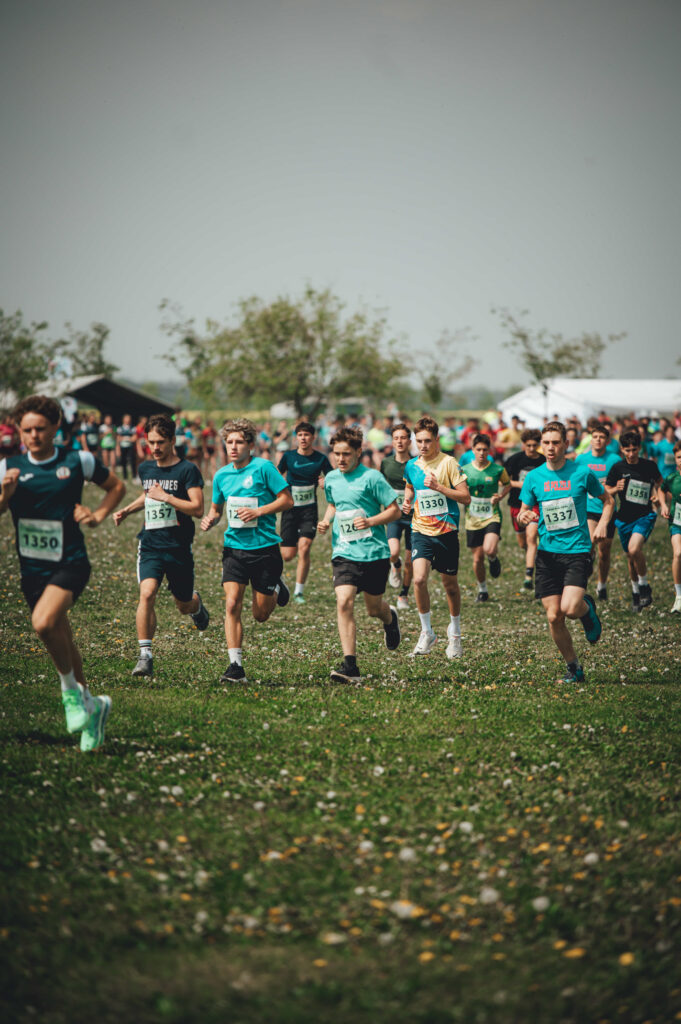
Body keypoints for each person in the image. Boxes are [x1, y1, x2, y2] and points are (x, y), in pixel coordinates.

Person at [0, 395, 125, 750]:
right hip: (32, 569)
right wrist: (5, 495)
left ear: (56, 427)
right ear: (18, 431)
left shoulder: (77, 460)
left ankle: (70, 695)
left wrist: (97, 515)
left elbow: (116, 487)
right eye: (27, 430)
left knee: (43, 623)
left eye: (41, 429)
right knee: (62, 637)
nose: (34, 436)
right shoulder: (8, 466)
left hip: (70, 562)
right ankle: (93, 708)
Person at [113, 413, 210, 678]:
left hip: (178, 547)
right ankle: (145, 656)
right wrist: (127, 510)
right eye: (151, 442)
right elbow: (148, 495)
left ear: (172, 441)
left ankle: (196, 606)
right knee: (147, 594)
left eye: (160, 442)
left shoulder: (187, 470)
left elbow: (198, 509)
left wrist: (167, 497)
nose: (155, 448)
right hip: (151, 545)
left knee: (183, 604)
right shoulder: (146, 469)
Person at [518, 421, 613, 684]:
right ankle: (574, 668)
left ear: (566, 444)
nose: (550, 447)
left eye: (555, 442)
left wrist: (603, 524)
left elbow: (607, 500)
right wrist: (523, 517)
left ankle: (587, 610)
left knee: (570, 609)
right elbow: (523, 512)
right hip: (547, 555)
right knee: (553, 616)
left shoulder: (581, 473)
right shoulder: (534, 477)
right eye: (546, 443)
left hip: (577, 551)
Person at [201, 418, 293, 683]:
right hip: (234, 549)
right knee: (231, 604)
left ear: (250, 445)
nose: (233, 447)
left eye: (239, 442)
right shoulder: (221, 475)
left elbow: (287, 500)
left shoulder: (264, 468)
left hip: (264, 549)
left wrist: (259, 511)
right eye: (229, 442)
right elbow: (216, 509)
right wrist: (211, 519)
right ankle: (235, 666)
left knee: (260, 615)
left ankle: (276, 588)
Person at [318, 426, 401, 683]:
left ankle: (390, 618)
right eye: (336, 454)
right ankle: (350, 666)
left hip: (374, 552)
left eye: (346, 454)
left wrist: (371, 521)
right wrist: (326, 520)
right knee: (344, 601)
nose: (340, 459)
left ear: (358, 452)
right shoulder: (331, 479)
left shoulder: (372, 478)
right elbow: (334, 504)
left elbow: (395, 511)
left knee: (374, 609)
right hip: (344, 552)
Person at [403, 415, 470, 659]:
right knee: (419, 579)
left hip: (446, 532)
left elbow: (466, 497)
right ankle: (427, 632)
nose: (423, 445)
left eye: (427, 441)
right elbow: (410, 486)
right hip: (420, 530)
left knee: (450, 586)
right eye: (419, 441)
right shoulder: (411, 465)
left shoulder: (449, 463)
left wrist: (440, 487)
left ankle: (455, 634)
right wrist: (407, 500)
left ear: (437, 440)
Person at [605, 429, 663, 612]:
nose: (631, 454)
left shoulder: (649, 466)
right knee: (631, 558)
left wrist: (657, 496)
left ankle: (645, 586)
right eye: (627, 450)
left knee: (634, 549)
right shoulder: (617, 468)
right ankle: (636, 593)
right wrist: (616, 488)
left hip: (644, 516)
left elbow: (661, 484)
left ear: (639, 448)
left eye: (634, 450)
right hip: (624, 518)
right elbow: (606, 490)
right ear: (622, 449)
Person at [277, 421, 332, 604]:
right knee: (287, 555)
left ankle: (298, 592)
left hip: (309, 511)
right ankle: (280, 580)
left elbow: (334, 478)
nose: (303, 438)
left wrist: (326, 482)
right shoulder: (288, 456)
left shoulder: (321, 459)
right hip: (289, 511)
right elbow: (276, 476)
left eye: (306, 435)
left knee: (305, 547)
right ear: (296, 437)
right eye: (300, 435)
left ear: (313, 437)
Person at [461, 434, 511, 602]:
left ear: (489, 451)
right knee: (477, 559)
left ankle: (493, 558)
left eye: (485, 450)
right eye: (478, 449)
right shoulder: (465, 470)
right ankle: (482, 590)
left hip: (492, 516)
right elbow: (458, 489)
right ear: (473, 450)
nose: (482, 453)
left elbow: (508, 484)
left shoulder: (498, 470)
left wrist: (500, 497)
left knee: (489, 549)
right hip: (472, 519)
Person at [575, 423, 621, 600]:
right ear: (590, 439)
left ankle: (602, 585)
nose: (598, 440)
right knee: (589, 543)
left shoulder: (614, 460)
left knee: (605, 551)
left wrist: (612, 489)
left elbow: (620, 484)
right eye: (595, 437)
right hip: (588, 509)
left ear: (607, 440)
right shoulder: (581, 459)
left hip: (608, 509)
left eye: (602, 437)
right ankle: (581, 584)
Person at [504, 428, 545, 591]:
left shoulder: (543, 461)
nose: (532, 448)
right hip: (516, 504)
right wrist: (522, 485)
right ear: (523, 445)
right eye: (529, 445)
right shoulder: (514, 460)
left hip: (535, 505)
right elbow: (503, 482)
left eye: (535, 445)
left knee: (531, 537)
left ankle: (529, 576)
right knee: (523, 543)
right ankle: (532, 556)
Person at [381, 422, 414, 611]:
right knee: (393, 552)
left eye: (403, 438)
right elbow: (381, 487)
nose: (400, 441)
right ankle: (395, 565)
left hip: (414, 518)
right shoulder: (386, 463)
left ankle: (404, 594)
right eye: (396, 438)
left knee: (410, 560)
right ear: (392, 442)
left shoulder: (417, 463)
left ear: (409, 441)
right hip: (394, 515)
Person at [659, 441, 681, 612]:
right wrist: (663, 505)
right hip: (676, 521)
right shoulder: (672, 478)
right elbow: (661, 489)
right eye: (679, 457)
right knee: (678, 553)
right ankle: (679, 596)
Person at [116, 413, 137, 481]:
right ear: (123, 420)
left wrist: (125, 438)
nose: (127, 420)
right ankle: (125, 477)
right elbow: (118, 438)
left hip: (130, 447)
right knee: (123, 462)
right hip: (122, 447)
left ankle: (134, 477)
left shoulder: (133, 428)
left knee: (132, 461)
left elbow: (134, 438)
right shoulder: (120, 428)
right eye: (126, 418)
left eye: (129, 418)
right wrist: (128, 438)